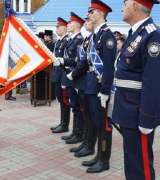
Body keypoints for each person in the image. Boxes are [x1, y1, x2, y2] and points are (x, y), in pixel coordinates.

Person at [112, 0, 160, 179]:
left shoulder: (153, 35)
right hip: (127, 109)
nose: (122, 8)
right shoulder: (136, 34)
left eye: (125, 4)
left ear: (134, 6)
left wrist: (147, 119)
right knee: (131, 160)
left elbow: (154, 81)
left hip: (138, 112)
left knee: (140, 166)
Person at [81, 0, 116, 173]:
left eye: (92, 11)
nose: (89, 15)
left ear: (101, 13)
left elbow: (109, 66)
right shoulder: (96, 35)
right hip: (92, 84)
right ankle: (98, 154)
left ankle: (104, 160)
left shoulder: (107, 35)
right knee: (96, 121)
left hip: (100, 86)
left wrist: (105, 89)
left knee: (104, 124)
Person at [66, 16, 96, 158]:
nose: (86, 23)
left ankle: (88, 144)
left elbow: (84, 62)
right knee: (85, 111)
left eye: (88, 20)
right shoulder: (88, 38)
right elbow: (81, 60)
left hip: (88, 80)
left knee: (91, 114)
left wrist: (74, 73)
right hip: (84, 79)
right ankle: (84, 140)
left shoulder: (101, 37)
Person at [56, 12, 85, 144]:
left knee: (77, 106)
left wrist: (71, 72)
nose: (68, 25)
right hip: (68, 76)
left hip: (74, 77)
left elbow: (79, 61)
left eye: (71, 23)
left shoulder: (79, 40)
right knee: (74, 105)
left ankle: (79, 133)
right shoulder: (72, 39)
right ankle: (75, 131)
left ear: (77, 25)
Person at [50, 17, 70, 133]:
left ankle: (65, 124)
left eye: (58, 27)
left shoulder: (66, 41)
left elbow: (66, 60)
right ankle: (62, 122)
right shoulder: (59, 41)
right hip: (56, 74)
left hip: (62, 74)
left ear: (64, 28)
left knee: (64, 100)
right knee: (60, 100)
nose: (56, 29)